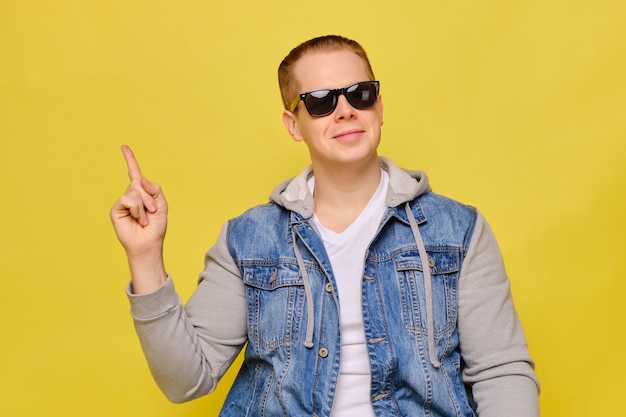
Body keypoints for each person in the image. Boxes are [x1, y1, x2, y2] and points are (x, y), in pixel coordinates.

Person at [110, 35, 540, 417]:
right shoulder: (248, 240)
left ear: (380, 107)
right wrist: (145, 257)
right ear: (293, 125)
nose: (345, 111)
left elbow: (501, 372)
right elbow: (186, 379)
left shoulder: (457, 230)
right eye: (321, 101)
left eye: (361, 93)